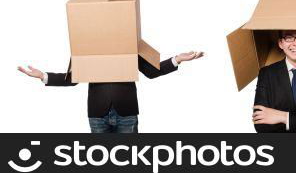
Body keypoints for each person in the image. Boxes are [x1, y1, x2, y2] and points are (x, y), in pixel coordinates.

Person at [18, 51, 204, 133]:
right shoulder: (86, 49)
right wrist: (43, 75)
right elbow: (72, 79)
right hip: (98, 115)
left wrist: (177, 59)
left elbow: (151, 71)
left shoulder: (129, 45)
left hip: (127, 113)